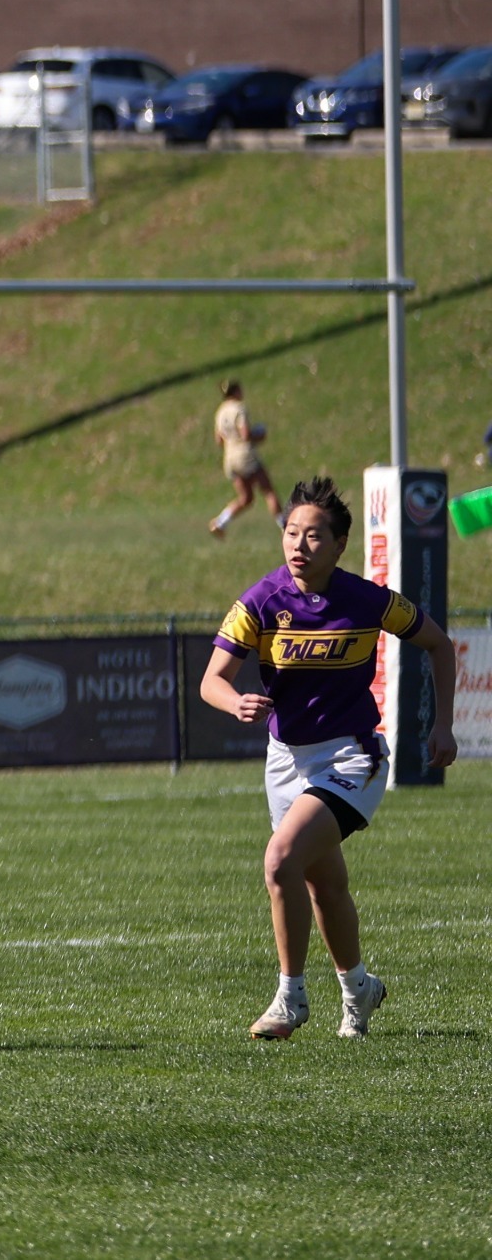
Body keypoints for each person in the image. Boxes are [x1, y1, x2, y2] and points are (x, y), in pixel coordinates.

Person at [200, 476, 456, 1042]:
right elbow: (211, 680)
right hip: (285, 760)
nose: (299, 544)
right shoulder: (260, 601)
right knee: (324, 886)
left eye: (314, 535)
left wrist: (442, 725)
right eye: (291, 531)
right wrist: (234, 700)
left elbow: (438, 644)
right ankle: (359, 989)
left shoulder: (369, 599)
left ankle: (289, 998)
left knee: (279, 860)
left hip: (352, 756)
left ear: (340, 545)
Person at [209, 379, 281, 538]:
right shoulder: (239, 408)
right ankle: (285, 527)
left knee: (246, 498)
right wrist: (259, 434)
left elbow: (219, 440)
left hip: (229, 459)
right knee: (268, 491)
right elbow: (245, 434)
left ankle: (220, 522)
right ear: (236, 391)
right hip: (245, 456)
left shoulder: (220, 412)